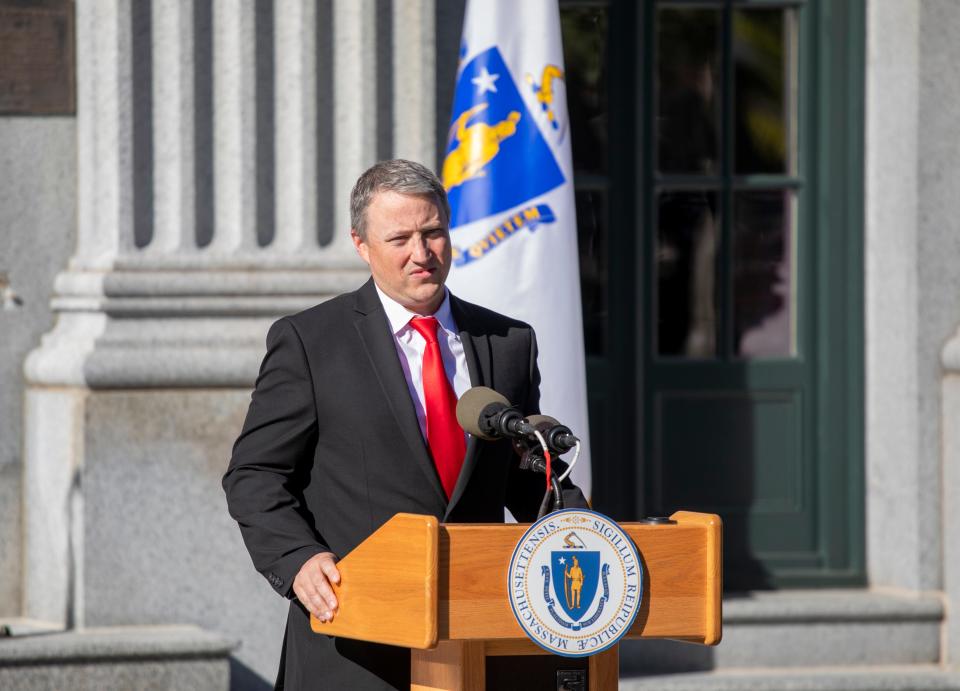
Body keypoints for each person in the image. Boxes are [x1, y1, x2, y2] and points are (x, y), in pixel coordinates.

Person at [223, 159, 586, 690]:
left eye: (433, 232)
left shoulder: (508, 341)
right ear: (361, 244)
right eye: (399, 238)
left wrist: (596, 538)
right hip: (355, 641)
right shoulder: (311, 342)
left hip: (476, 634)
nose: (421, 254)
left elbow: (527, 477)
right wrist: (298, 560)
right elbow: (253, 475)